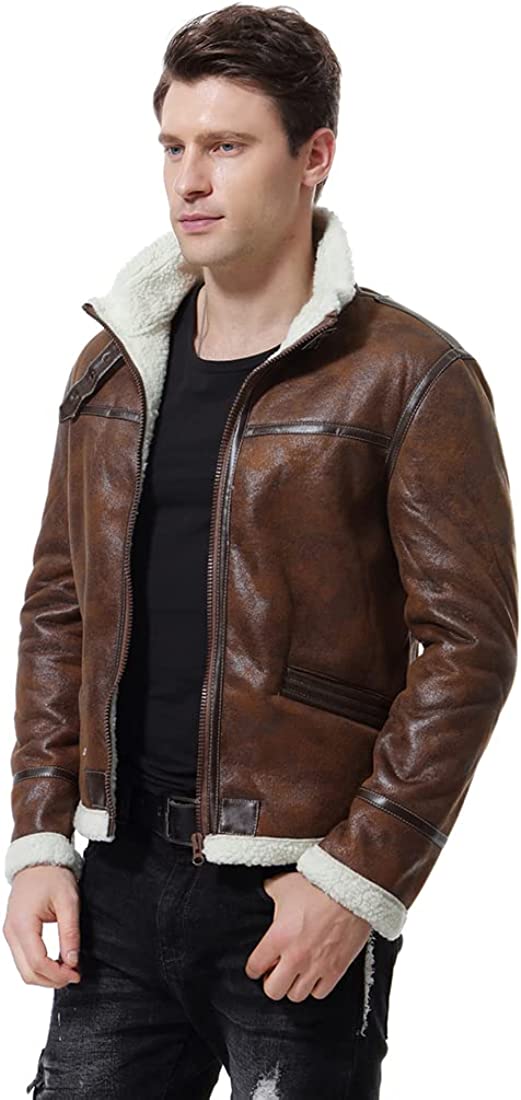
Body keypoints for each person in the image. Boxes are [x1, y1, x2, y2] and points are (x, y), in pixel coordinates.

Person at [3, 5, 517, 1098]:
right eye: (172, 146)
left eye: (227, 146)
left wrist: (357, 874)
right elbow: (58, 607)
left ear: (313, 155)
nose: (189, 180)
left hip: (295, 889)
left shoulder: (408, 375)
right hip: (113, 879)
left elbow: (468, 647)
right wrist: (40, 836)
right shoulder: (112, 364)